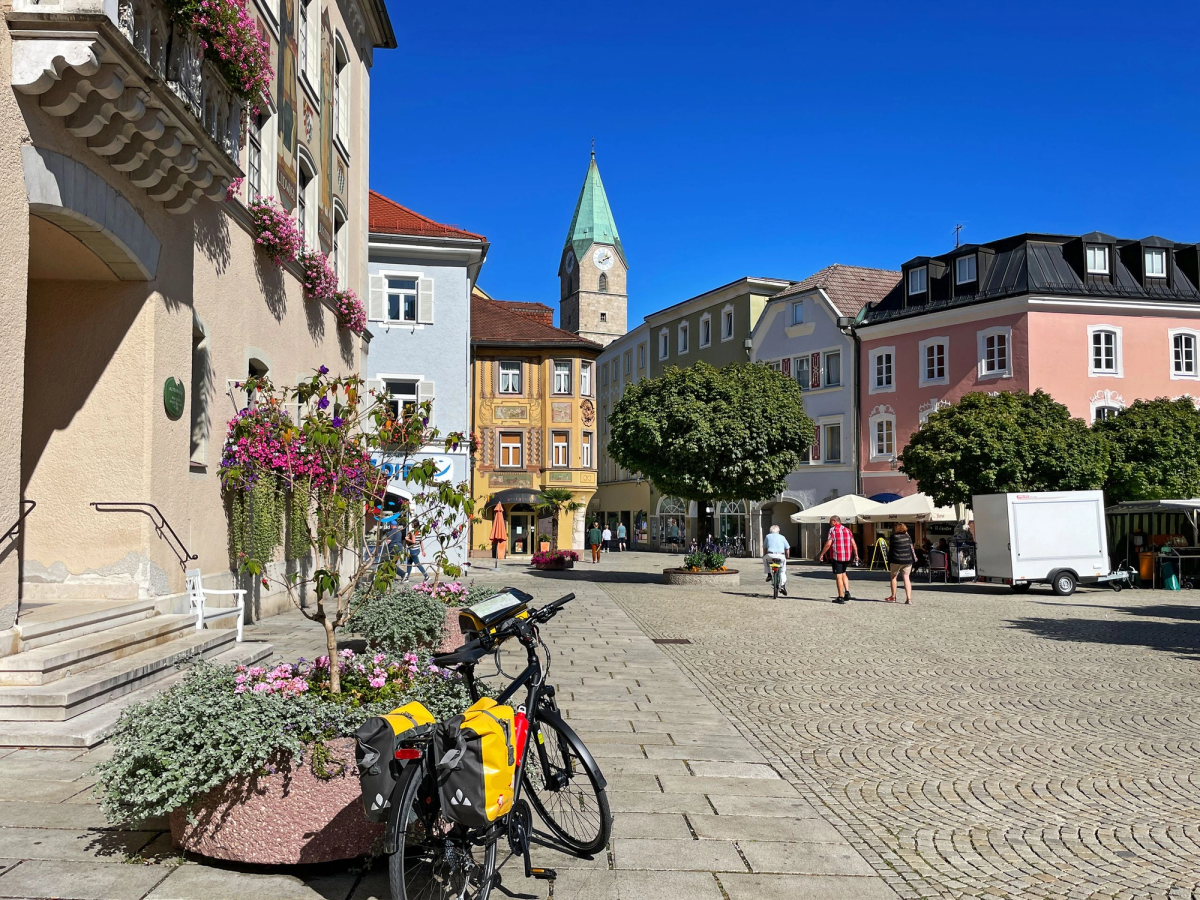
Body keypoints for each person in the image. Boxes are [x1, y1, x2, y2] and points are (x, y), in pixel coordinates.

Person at [818, 515, 860, 604]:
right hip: (847, 557)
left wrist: (822, 553)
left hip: (837, 556)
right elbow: (853, 544)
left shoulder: (833, 530)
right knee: (844, 573)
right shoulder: (847, 530)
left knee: (838, 576)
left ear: (834, 521)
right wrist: (856, 555)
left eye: (830, 522)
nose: (830, 524)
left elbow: (829, 543)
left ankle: (840, 596)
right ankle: (847, 592)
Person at [886, 523, 917, 604]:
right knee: (906, 578)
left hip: (896, 559)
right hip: (907, 559)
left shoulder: (893, 537)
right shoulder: (908, 537)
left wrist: (889, 560)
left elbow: (891, 548)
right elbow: (911, 547)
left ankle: (893, 596)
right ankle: (909, 599)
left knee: (893, 577)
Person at [762, 525, 791, 596]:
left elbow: (765, 548)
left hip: (770, 555)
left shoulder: (767, 536)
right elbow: (787, 548)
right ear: (778, 531)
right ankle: (783, 585)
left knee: (764, 559)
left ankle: (769, 574)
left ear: (770, 531)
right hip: (780, 556)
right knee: (782, 571)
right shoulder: (782, 537)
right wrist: (787, 556)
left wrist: (765, 555)